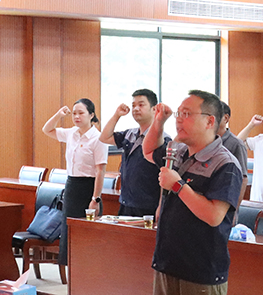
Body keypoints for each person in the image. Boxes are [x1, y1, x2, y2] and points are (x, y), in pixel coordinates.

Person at [143, 90, 243, 295]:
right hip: (167, 263)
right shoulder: (178, 151)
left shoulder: (225, 164)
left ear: (209, 121)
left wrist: (178, 186)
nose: (179, 119)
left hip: (200, 271)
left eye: (186, 114)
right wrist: (159, 122)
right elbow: (149, 151)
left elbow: (214, 216)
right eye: (178, 113)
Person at [42, 98, 108, 267]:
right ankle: (70, 272)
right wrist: (59, 114)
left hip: (89, 188)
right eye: (74, 114)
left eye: (81, 113)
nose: (77, 117)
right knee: (69, 231)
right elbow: (47, 129)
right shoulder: (71, 133)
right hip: (72, 186)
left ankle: (87, 272)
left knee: (86, 234)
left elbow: (100, 171)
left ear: (91, 115)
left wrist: (96, 199)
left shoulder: (98, 138)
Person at [99, 88, 168, 216]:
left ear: (154, 109)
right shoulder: (129, 134)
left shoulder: (163, 140)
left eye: (141, 105)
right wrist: (117, 115)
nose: (135, 109)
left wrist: (161, 206)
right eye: (133, 105)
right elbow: (104, 137)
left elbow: (165, 176)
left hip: (148, 206)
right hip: (126, 203)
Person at [217, 101, 248, 208]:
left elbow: (243, 179)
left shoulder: (236, 144)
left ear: (225, 118)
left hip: (225, 202)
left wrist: (235, 208)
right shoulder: (206, 141)